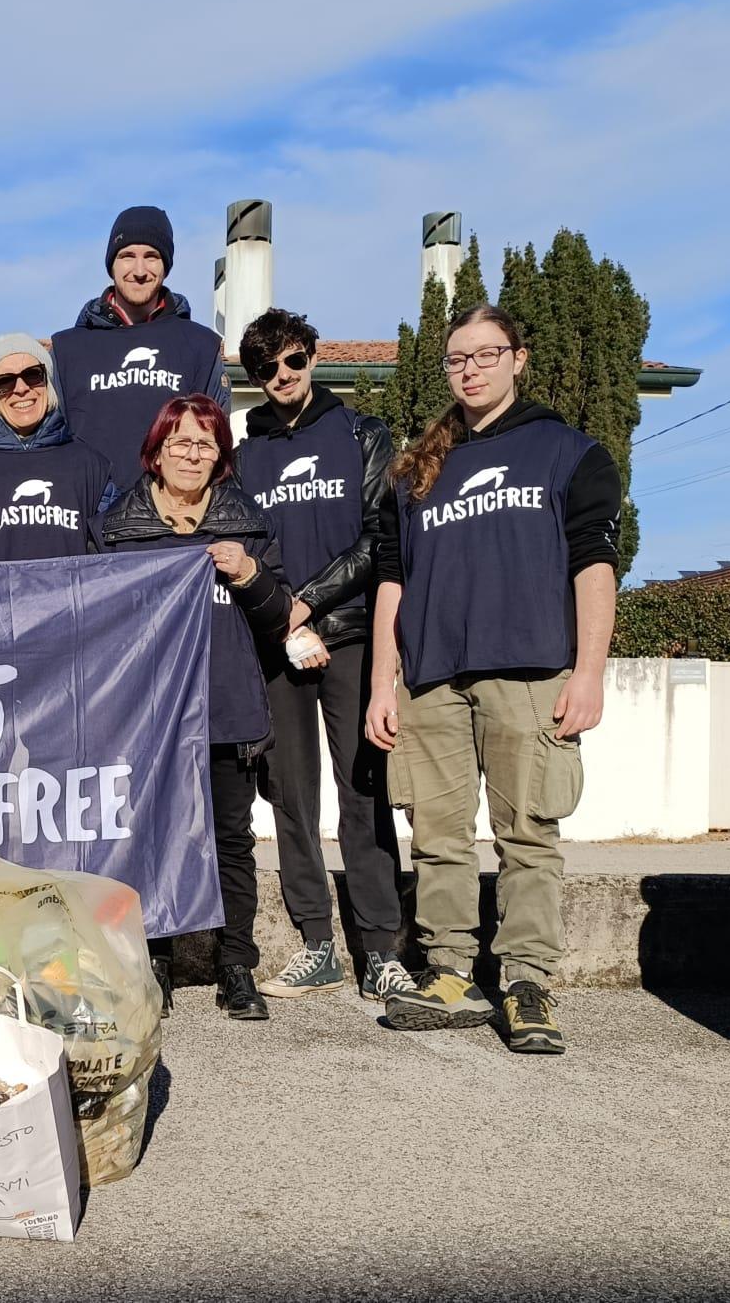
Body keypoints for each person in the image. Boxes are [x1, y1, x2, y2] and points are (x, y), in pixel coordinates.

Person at [365, 303, 619, 1055]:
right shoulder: (416, 470)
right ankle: (448, 973)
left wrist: (589, 673)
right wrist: (385, 681)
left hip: (533, 673)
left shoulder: (568, 453)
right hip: (432, 681)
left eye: (484, 354)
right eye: (455, 359)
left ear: (518, 359)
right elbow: (391, 582)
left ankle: (525, 981)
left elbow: (593, 566)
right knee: (438, 837)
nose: (469, 369)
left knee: (527, 835)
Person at [234, 309, 413, 1003]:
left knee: (361, 792)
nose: (281, 377)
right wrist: (279, 616)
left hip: (348, 635)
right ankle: (316, 945)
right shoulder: (245, 455)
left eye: (291, 361)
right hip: (275, 644)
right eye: (265, 369)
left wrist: (304, 603)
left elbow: (378, 540)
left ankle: (379, 949)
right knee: (290, 799)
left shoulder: (362, 435)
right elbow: (243, 546)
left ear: (312, 358)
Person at [94, 393, 291, 1020]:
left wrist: (251, 574)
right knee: (148, 838)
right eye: (179, 441)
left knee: (229, 841)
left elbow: (279, 614)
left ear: (220, 458)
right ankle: (155, 961)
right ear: (155, 453)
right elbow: (97, 624)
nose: (191, 453)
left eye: (205, 443)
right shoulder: (116, 530)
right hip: (144, 718)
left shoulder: (248, 524)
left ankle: (236, 964)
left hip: (226, 708)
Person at [52, 206, 230, 476]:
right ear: (111, 264)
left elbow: (215, 441)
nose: (139, 270)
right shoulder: (67, 350)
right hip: (90, 511)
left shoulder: (200, 346)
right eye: (127, 256)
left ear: (166, 266)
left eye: (151, 256)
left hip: (171, 510)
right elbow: (50, 441)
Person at [0, 333, 117, 567]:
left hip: (68, 603)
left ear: (48, 382)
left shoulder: (89, 465)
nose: (21, 388)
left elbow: (115, 548)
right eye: (5, 381)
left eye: (32, 375)